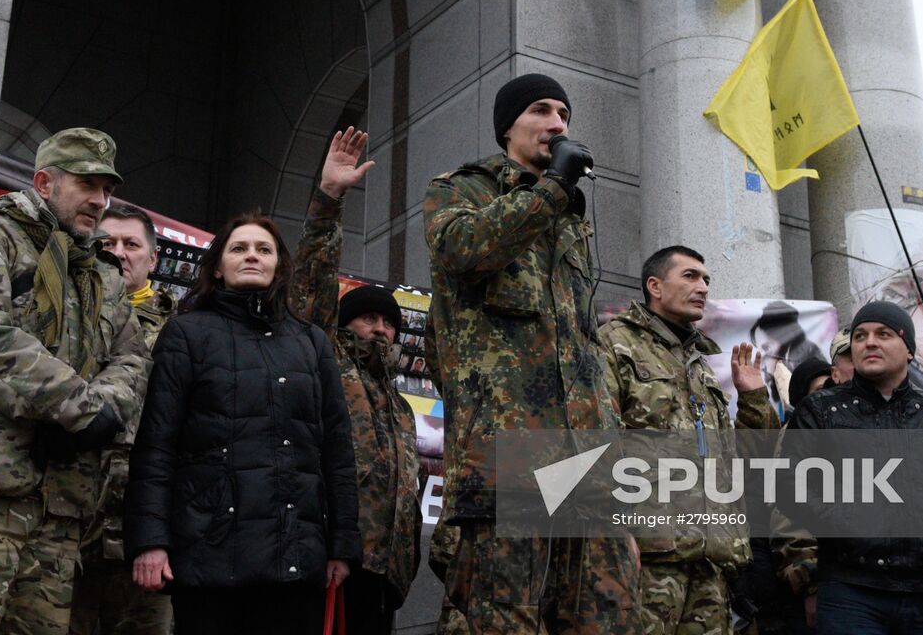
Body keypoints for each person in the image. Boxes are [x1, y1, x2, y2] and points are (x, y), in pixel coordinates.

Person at [0, 128, 148, 634]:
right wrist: (81, 409)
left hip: (61, 511)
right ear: (44, 182)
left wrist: (101, 409)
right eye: (87, 184)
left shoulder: (100, 274)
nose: (99, 201)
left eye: (106, 189)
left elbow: (131, 358)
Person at [422, 72, 640, 633]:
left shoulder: (568, 215)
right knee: (502, 616)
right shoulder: (462, 189)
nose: (558, 124)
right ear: (508, 127)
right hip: (509, 452)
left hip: (585, 452)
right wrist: (550, 191)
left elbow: (582, 347)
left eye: (564, 114)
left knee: (604, 616)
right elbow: (463, 250)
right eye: (542, 110)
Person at [125, 213, 361, 634]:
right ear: (217, 267)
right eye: (239, 248)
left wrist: (343, 544)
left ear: (279, 266)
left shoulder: (312, 343)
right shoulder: (185, 334)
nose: (252, 256)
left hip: (297, 562)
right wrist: (150, 542)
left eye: (263, 249)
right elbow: (157, 446)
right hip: (208, 559)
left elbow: (338, 453)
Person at [781, 300, 923, 635]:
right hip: (850, 589)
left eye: (883, 334)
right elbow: (788, 483)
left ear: (908, 349)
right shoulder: (821, 411)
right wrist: (843, 523)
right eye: (861, 336)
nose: (870, 342)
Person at [599, 244, 779, 633]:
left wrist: (751, 396)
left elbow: (743, 460)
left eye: (706, 279)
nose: (702, 287)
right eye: (690, 276)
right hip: (649, 553)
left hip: (711, 557)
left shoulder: (701, 361)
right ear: (655, 286)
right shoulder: (614, 343)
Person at [290, 128, 421, 634]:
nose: (381, 328)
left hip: (384, 576)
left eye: (389, 322)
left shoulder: (400, 405)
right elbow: (312, 283)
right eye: (368, 318)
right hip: (330, 560)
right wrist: (329, 200)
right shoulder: (325, 357)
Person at [71, 203, 178, 635]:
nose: (118, 252)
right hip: (69, 523)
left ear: (153, 259)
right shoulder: (64, 317)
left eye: (131, 244)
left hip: (144, 532)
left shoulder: (182, 332)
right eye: (106, 243)